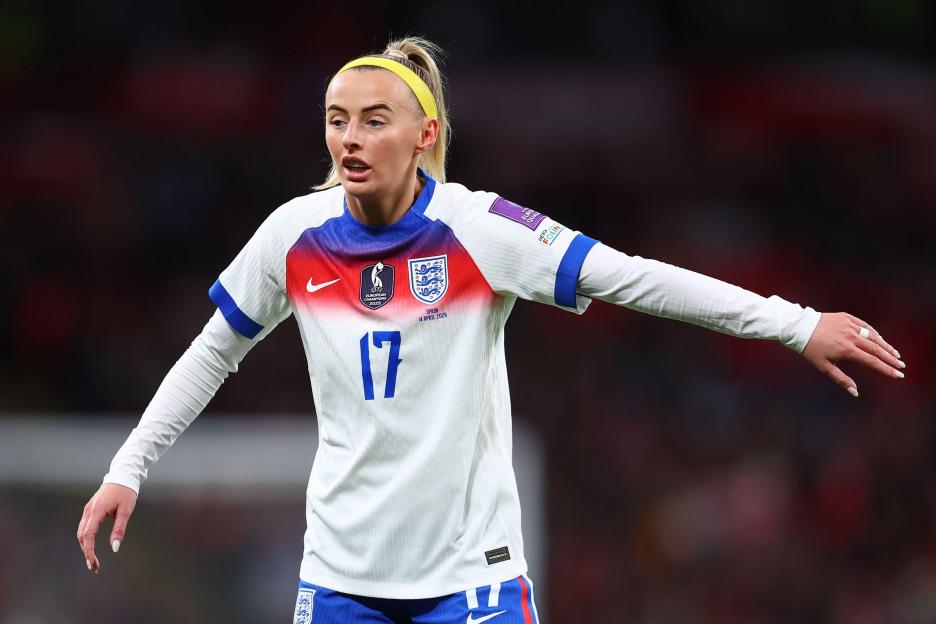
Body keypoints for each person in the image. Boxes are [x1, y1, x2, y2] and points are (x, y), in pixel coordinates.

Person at [76, 36, 905, 623]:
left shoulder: (480, 230)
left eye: (373, 119)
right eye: (337, 119)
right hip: (338, 580)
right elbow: (212, 352)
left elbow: (633, 277)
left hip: (470, 583)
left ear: (425, 135)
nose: (350, 138)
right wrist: (129, 467)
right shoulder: (294, 233)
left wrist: (794, 325)